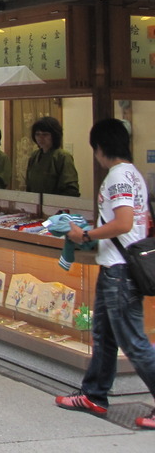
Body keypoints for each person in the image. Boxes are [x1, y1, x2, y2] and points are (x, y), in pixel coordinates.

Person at [55, 118, 155, 429]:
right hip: (115, 267)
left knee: (134, 342)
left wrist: (85, 236)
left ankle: (95, 393)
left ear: (100, 148)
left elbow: (123, 222)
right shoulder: (134, 175)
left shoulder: (117, 177)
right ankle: (94, 394)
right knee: (104, 336)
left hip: (120, 272)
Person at [25, 116, 79, 196]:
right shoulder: (34, 156)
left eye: (45, 134)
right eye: (37, 134)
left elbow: (71, 190)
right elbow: (29, 186)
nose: (40, 138)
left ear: (54, 135)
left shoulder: (63, 157)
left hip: (55, 205)